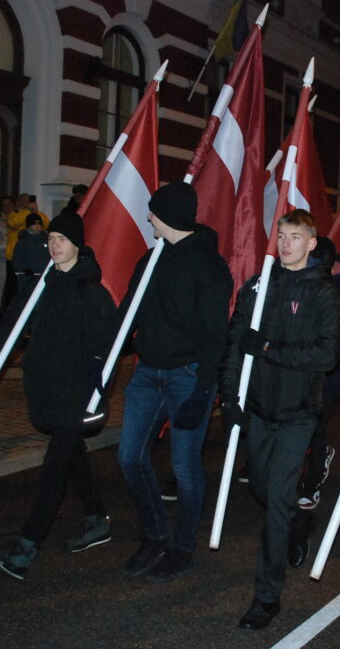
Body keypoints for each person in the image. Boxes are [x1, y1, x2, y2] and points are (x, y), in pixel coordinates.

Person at [0, 212, 117, 581]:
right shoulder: (40, 287)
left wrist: (96, 395)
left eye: (62, 239)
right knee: (72, 457)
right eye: (51, 238)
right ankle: (97, 517)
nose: (54, 245)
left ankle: (26, 546)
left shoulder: (93, 293)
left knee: (53, 468)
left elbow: (107, 351)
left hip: (76, 396)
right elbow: (8, 331)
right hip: (47, 390)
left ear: (78, 244)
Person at [220, 209, 340, 630]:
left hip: (296, 415)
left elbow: (326, 356)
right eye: (282, 235)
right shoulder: (259, 285)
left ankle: (266, 596)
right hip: (258, 410)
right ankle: (297, 516)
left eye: (295, 237)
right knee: (262, 489)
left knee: (275, 502)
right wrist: (229, 396)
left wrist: (270, 349)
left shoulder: (322, 292)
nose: (286, 243)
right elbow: (236, 342)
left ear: (311, 243)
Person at [115, 181, 232, 579]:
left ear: (169, 216)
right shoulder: (150, 260)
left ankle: (182, 547)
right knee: (129, 457)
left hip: (188, 376)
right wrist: (103, 356)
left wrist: (204, 389)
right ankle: (154, 535)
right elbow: (127, 312)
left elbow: (216, 334)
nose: (148, 217)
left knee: (184, 467)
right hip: (147, 374)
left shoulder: (209, 266)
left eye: (153, 211)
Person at [289, 240, 340, 569]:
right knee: (301, 427)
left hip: (331, 375)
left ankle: (311, 483)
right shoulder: (300, 284)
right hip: (301, 374)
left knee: (317, 428)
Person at [10, 212, 50, 297]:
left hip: (42, 277)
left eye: (39, 224)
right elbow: (16, 260)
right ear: (29, 226)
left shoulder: (45, 240)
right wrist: (24, 270)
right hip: (26, 279)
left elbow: (49, 257)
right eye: (34, 224)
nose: (37, 226)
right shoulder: (23, 242)